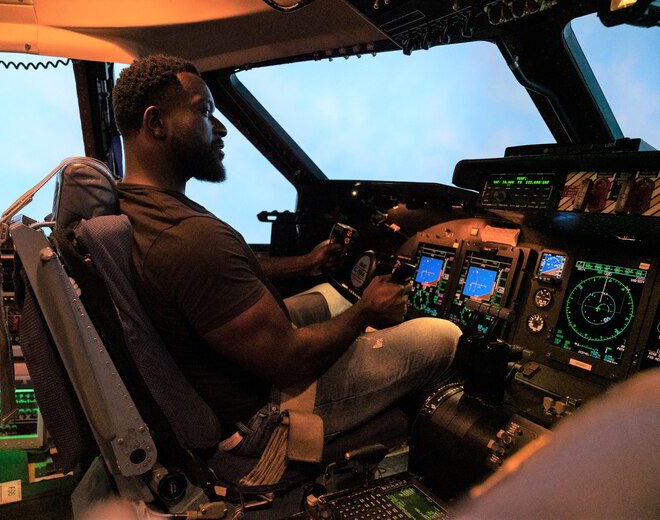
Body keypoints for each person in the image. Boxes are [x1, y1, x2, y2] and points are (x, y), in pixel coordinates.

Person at [112, 55, 461, 458]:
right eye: (205, 112)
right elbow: (290, 362)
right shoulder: (188, 238)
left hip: (226, 368)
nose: (221, 128)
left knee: (332, 297)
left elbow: (216, 280)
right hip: (263, 411)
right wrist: (365, 312)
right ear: (157, 123)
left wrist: (305, 264)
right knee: (442, 335)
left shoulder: (141, 206)